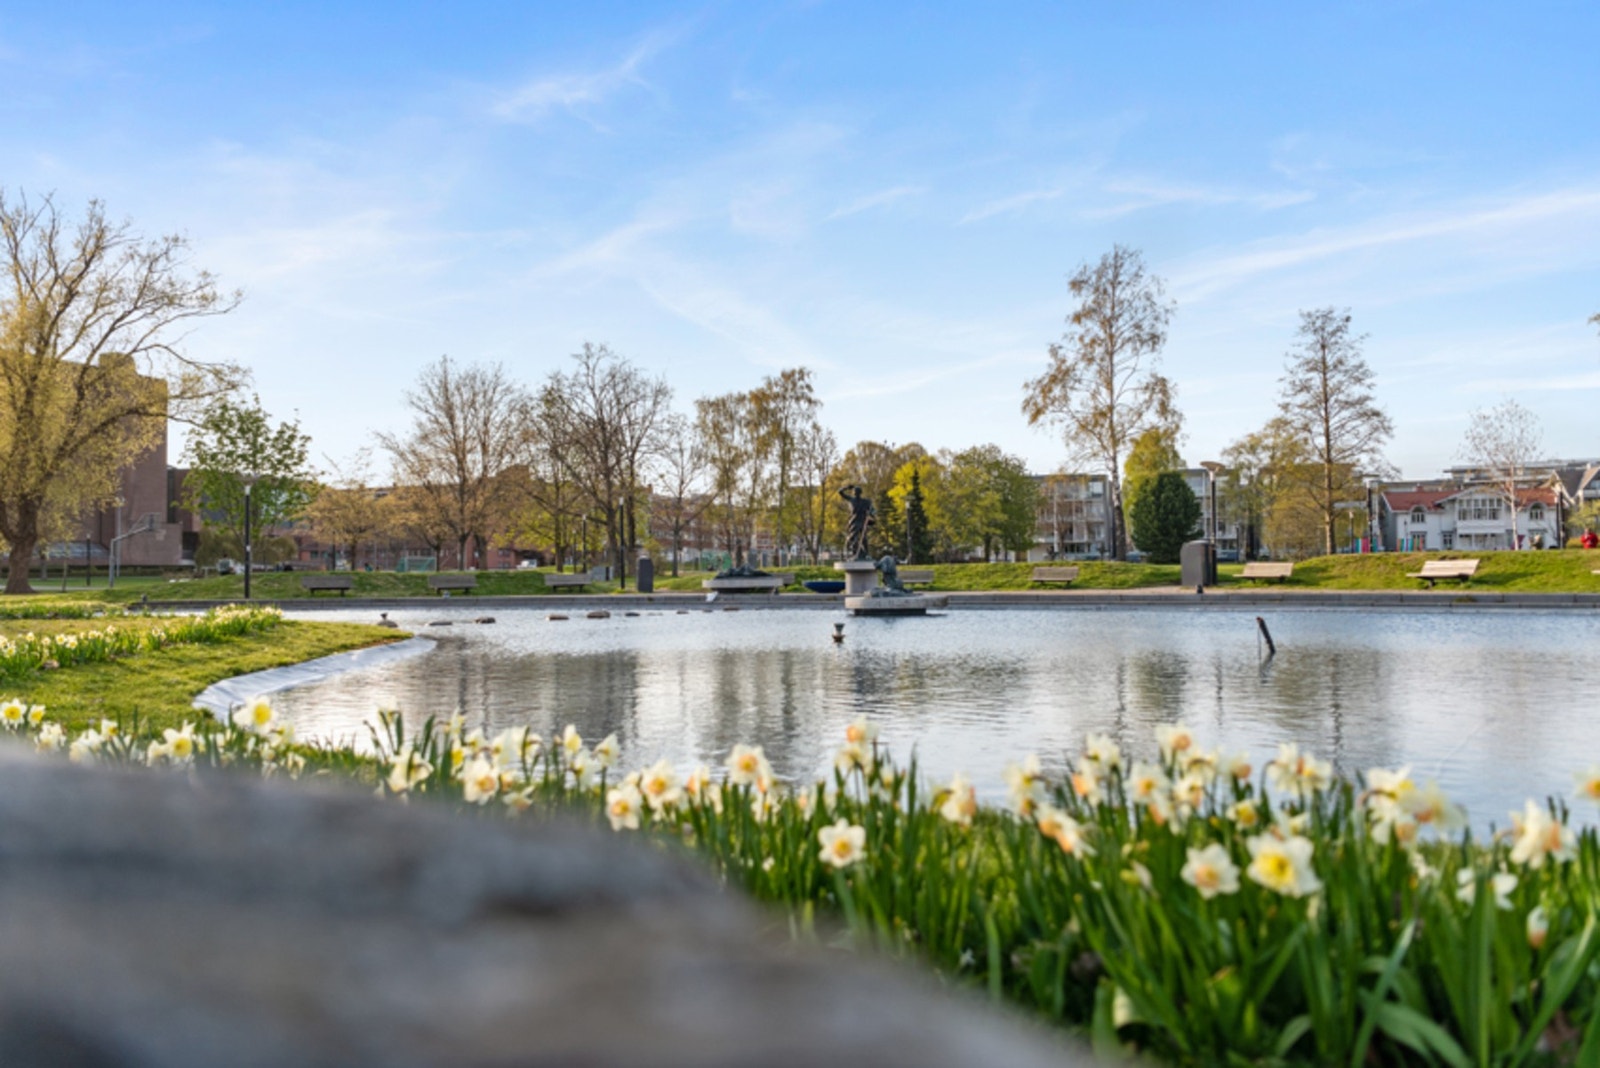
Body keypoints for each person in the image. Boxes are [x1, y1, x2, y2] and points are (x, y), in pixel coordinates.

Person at [839, 485, 876, 560]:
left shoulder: (865, 502)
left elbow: (873, 510)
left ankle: (865, 554)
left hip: (861, 522)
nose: (855, 493)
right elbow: (840, 492)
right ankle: (856, 553)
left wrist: (871, 513)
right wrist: (847, 487)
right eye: (855, 491)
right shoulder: (852, 500)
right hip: (854, 522)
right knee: (854, 538)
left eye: (856, 492)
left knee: (863, 538)